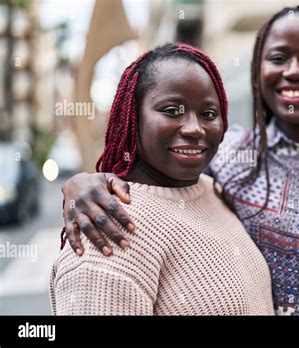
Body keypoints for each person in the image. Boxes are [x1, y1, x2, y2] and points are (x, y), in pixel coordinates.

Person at [59, 5, 299, 315]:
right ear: (259, 72)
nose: (294, 70)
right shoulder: (233, 155)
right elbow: (160, 179)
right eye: (278, 57)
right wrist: (83, 183)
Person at [50, 43, 274, 315]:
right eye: (171, 111)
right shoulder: (107, 225)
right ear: (133, 117)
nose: (194, 128)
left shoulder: (212, 189)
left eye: (208, 114)